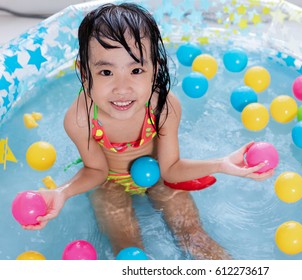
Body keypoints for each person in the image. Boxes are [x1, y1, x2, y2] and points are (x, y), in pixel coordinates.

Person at [24, 2, 274, 259]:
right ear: (85, 73)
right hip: (110, 182)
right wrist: (61, 192)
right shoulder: (80, 118)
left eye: (136, 70)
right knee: (129, 251)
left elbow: (171, 168)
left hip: (160, 176)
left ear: (155, 69)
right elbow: (96, 171)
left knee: (196, 238)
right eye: (106, 71)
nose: (122, 87)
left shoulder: (164, 106)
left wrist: (221, 164)